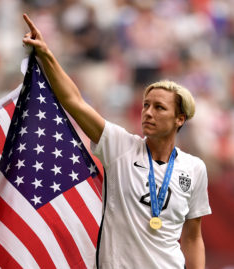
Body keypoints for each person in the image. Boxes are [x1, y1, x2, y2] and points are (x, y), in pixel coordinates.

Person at [22, 13, 211, 269]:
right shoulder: (120, 146)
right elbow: (74, 102)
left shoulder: (194, 168)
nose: (148, 112)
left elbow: (193, 236)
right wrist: (46, 55)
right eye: (146, 105)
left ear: (180, 119)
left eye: (159, 107)